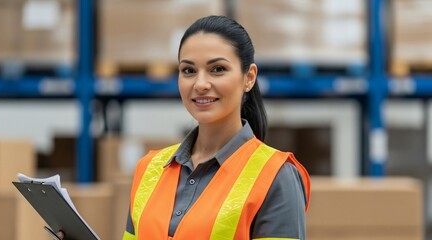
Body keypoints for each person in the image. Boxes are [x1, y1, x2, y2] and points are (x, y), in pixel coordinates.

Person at [58, 15, 310, 240]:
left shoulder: (276, 176)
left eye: (217, 69)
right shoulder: (149, 170)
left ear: (249, 77)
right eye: (188, 70)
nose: (200, 84)